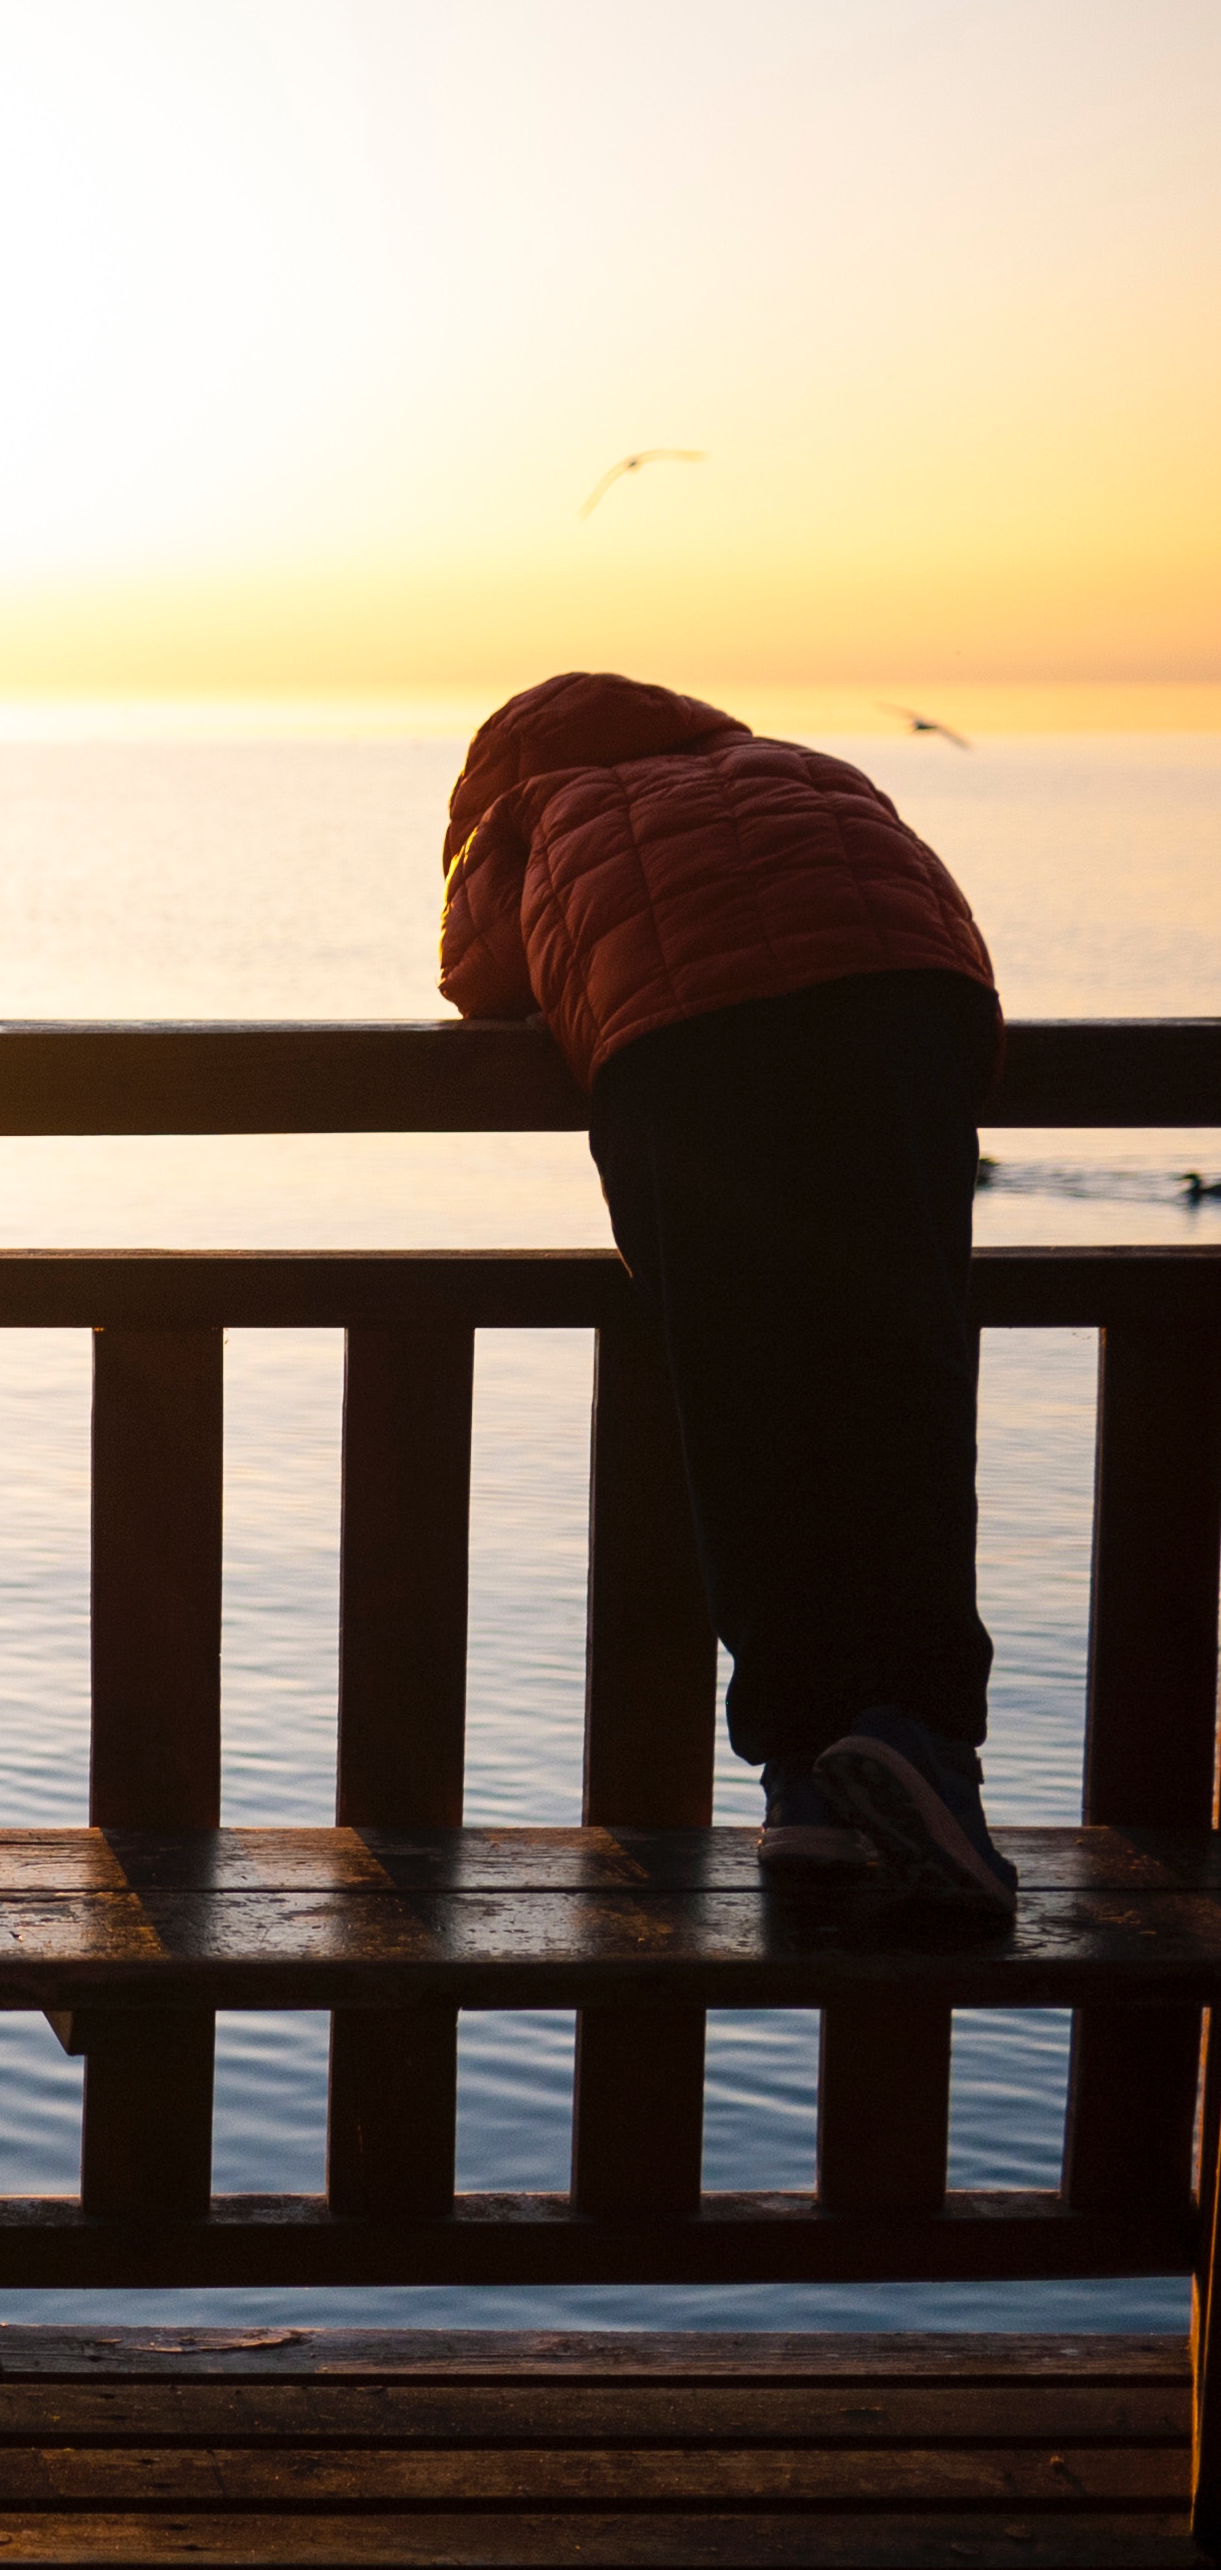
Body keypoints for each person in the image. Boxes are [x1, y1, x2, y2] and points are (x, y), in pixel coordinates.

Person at [439, 671, 1010, 1903]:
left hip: (689, 1045)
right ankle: (918, 1746)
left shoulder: (535, 812)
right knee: (903, 1379)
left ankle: (805, 1770)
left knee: (741, 1396)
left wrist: (492, 862)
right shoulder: (804, 766)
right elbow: (918, 897)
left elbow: (474, 976)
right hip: (900, 1013)